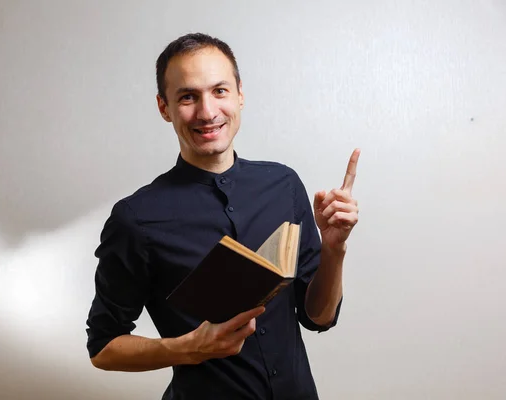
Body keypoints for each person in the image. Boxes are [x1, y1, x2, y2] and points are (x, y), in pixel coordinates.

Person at [85, 32, 360, 400]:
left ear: (240, 94)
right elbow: (103, 347)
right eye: (187, 97)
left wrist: (334, 249)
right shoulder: (135, 219)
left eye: (219, 91)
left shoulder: (284, 185)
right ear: (164, 107)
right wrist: (186, 349)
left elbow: (319, 317)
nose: (207, 112)